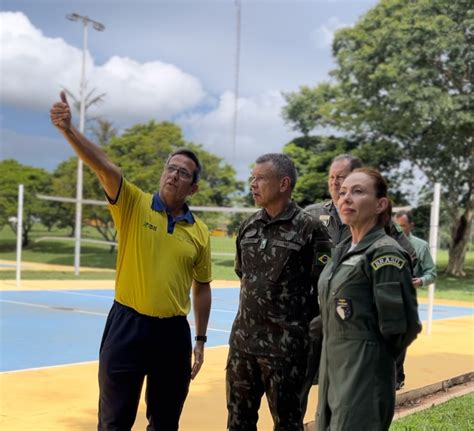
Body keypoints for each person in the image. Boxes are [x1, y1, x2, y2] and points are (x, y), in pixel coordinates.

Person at [50, 91, 212, 431]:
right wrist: (69, 131)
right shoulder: (133, 204)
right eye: (171, 168)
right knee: (114, 421)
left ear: (193, 188)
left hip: (172, 333)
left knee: (165, 422)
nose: (174, 175)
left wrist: (200, 340)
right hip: (127, 325)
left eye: (183, 173)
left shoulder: (200, 233)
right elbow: (104, 166)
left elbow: (202, 287)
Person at [302, 154, 417, 412]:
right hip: (314, 320)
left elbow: (406, 258)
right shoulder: (311, 215)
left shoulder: (376, 219)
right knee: (299, 394)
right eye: (332, 178)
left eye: (341, 178)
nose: (334, 183)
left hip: (354, 327)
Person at [226, 153, 331, 431]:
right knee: (238, 423)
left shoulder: (311, 229)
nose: (253, 184)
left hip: (287, 352)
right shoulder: (248, 226)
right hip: (243, 347)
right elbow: (244, 274)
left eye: (260, 178)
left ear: (284, 183)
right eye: (252, 178)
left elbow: (325, 287)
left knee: (287, 424)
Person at [394, 209, 437, 389]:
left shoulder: (420, 246)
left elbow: (432, 273)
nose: (398, 230)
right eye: (396, 226)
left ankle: (397, 377)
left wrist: (420, 281)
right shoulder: (381, 242)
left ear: (411, 225)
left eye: (402, 226)